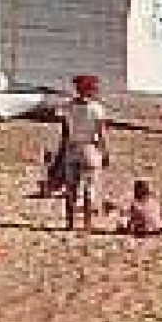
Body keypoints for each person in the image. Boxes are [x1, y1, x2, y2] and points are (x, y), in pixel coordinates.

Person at [58, 74, 108, 232]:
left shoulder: (68, 107)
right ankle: (87, 223)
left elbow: (65, 132)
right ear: (90, 90)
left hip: (72, 148)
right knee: (89, 188)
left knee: (71, 188)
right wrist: (105, 152)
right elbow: (101, 134)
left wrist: (62, 151)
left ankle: (70, 223)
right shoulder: (97, 109)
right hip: (90, 148)